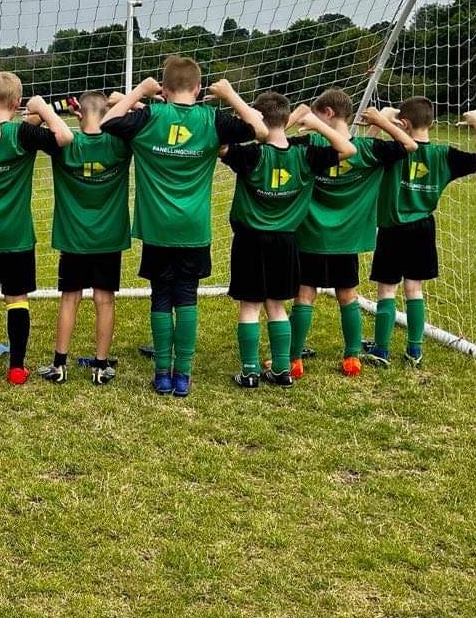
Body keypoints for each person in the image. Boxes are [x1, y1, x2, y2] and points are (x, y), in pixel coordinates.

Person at [101, 57, 267, 397]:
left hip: (158, 228)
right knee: (187, 296)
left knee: (161, 295)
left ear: (163, 88)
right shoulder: (212, 119)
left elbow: (107, 121)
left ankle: (163, 373)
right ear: (198, 87)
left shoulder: (149, 116)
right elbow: (260, 130)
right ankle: (183, 375)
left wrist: (140, 91)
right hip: (193, 228)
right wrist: (231, 95)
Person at [222, 94, 355, 388]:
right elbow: (348, 148)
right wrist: (318, 126)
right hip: (286, 241)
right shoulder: (304, 154)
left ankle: (249, 372)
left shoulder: (251, 155)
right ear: (286, 119)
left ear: (257, 117)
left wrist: (233, 100)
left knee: (250, 307)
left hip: (250, 240)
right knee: (277, 306)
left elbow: (220, 144)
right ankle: (282, 370)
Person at [287, 90, 416, 379]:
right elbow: (409, 145)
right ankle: (352, 357)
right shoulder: (369, 149)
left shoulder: (313, 143)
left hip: (311, 235)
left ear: (328, 114)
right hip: (347, 238)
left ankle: (294, 359)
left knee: (305, 294)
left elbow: (272, 141)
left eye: (317, 116)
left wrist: (296, 117)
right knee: (348, 295)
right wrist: (383, 123)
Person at [0, 73, 74, 386]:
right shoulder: (24, 134)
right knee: (17, 298)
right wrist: (45, 110)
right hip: (16, 236)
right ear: (18, 102)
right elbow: (64, 138)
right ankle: (18, 368)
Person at [363, 101, 476, 368]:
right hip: (423, 228)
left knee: (386, 290)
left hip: (393, 228)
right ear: (430, 123)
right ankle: (414, 351)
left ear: (403, 124)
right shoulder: (445, 154)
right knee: (414, 289)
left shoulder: (394, 151)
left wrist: (381, 119)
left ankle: (381, 351)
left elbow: (360, 149)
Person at [35, 91, 131, 385]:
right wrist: (119, 103)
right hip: (108, 238)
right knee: (104, 300)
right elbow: (142, 114)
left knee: (69, 299)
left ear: (81, 114)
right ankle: (100, 367)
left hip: (74, 238)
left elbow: (31, 119)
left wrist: (52, 109)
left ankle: (59, 365)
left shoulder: (64, 144)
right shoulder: (121, 143)